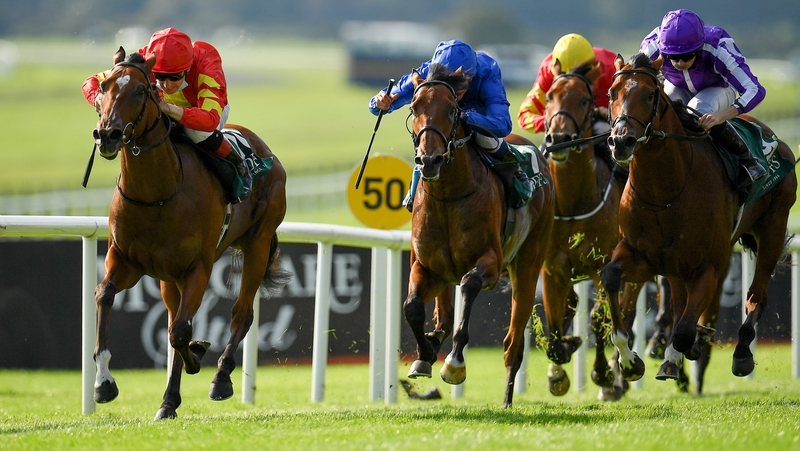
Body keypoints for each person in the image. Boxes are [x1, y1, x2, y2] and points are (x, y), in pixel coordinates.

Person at [82, 27, 252, 194]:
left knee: (196, 132)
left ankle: (236, 162)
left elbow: (209, 120)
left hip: (204, 110)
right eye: (160, 76)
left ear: (188, 68)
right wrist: (97, 98)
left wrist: (168, 108)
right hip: (163, 105)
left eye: (175, 76)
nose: (166, 84)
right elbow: (92, 81)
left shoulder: (207, 60)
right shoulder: (144, 61)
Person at [369, 39, 532, 212]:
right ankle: (415, 188)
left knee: (486, 139)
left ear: (471, 77)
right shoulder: (426, 72)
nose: (453, 92)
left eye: (457, 88)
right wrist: (380, 103)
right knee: (429, 138)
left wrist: (464, 116)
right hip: (442, 116)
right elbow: (381, 103)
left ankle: (516, 171)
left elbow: (503, 124)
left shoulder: (487, 70)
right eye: (447, 84)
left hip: (475, 113)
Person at [641, 9, 767, 186]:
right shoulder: (652, 47)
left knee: (697, 110)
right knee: (665, 108)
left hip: (718, 88)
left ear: (699, 48)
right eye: (672, 57)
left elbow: (755, 89)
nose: (679, 63)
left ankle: (747, 160)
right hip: (677, 85)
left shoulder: (718, 48)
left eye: (687, 56)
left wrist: (720, 116)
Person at [518, 33, 617, 136]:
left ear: (592, 70)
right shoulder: (548, 73)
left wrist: (610, 114)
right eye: (564, 80)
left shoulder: (612, 69)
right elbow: (524, 116)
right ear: (556, 71)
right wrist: (553, 120)